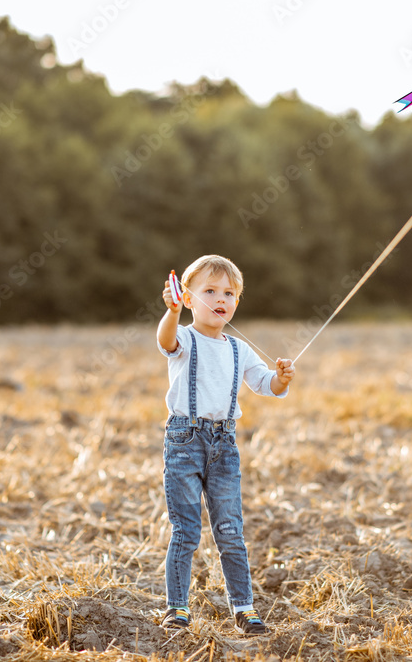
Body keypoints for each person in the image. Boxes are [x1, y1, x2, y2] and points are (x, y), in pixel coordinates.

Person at [156, 254, 295, 636]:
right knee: (185, 530)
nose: (221, 298)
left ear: (237, 301)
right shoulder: (184, 336)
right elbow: (165, 340)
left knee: (230, 530)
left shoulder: (239, 349)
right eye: (210, 291)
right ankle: (178, 608)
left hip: (224, 445)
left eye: (229, 293)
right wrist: (169, 313)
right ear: (187, 299)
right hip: (184, 441)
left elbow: (266, 385)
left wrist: (282, 378)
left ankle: (244, 609)